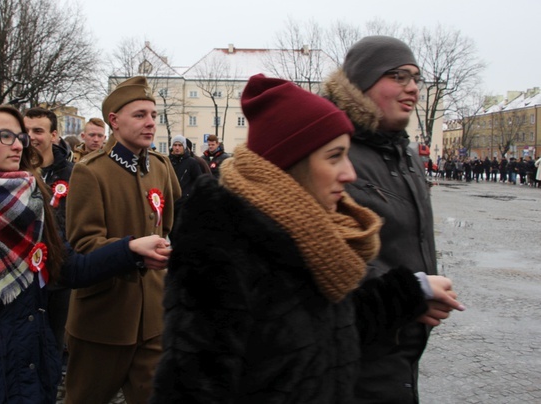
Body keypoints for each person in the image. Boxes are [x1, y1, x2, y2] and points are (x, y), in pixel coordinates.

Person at [151, 74, 463, 403]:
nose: (350, 173)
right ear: (291, 164)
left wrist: (411, 292)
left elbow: (329, 327)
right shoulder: (223, 248)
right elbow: (190, 387)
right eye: (334, 156)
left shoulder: (310, 234)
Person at [0, 105, 170, 404]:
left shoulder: (34, 199)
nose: (19, 144)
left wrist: (128, 250)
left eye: (19, 136)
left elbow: (70, 269)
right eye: (5, 136)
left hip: (32, 370)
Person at [323, 35, 444, 402]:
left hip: (401, 351)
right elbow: (325, 258)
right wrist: (413, 292)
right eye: (398, 76)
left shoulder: (405, 155)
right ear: (361, 83)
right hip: (353, 357)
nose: (412, 89)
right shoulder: (335, 151)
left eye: (416, 78)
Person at [64, 76, 180, 404]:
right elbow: (83, 245)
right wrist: (129, 250)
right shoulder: (91, 172)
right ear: (114, 121)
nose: (150, 123)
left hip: (154, 319)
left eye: (154, 115)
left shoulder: (160, 166)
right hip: (103, 318)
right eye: (140, 115)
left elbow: (169, 226)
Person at [23, 106, 74, 358]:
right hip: (21, 273)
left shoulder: (72, 174)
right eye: (26, 130)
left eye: (38, 130)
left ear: (54, 135)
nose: (31, 136)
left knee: (53, 342)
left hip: (58, 272)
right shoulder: (13, 170)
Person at [168, 135, 203, 219]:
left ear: (184, 147)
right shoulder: (167, 161)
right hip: (169, 202)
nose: (177, 148)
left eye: (180, 145)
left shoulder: (191, 162)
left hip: (185, 203)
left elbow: (199, 181)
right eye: (175, 145)